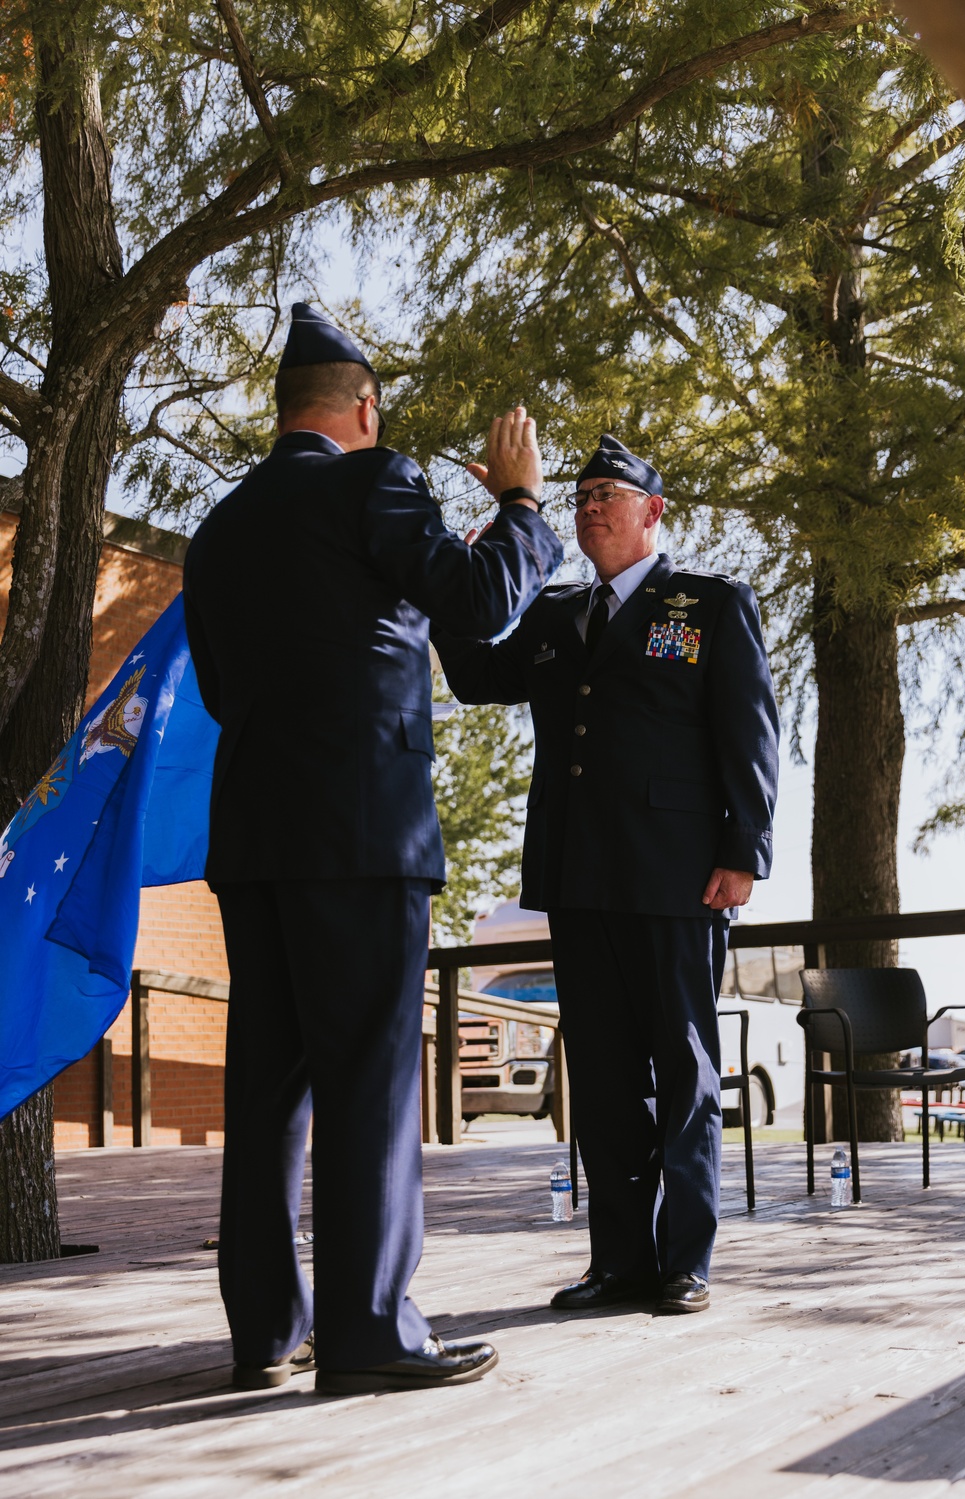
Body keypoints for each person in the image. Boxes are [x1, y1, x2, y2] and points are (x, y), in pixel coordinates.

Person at [182, 303, 563, 1393]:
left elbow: (219, 687)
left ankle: (265, 1329)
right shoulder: (375, 480)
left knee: (266, 1087)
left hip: (255, 836)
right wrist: (520, 504)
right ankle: (369, 1334)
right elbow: (482, 602)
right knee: (372, 1082)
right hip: (364, 833)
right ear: (363, 407)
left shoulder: (220, 527)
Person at [433, 434, 779, 1315]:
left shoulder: (705, 604)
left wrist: (745, 851)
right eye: (580, 494)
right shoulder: (553, 614)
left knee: (685, 1067)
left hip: (677, 880)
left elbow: (749, 732)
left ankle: (684, 1260)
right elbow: (473, 676)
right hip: (579, 876)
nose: (590, 506)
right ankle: (618, 1259)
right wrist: (459, 575)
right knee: (603, 1071)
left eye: (609, 493)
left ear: (654, 510)